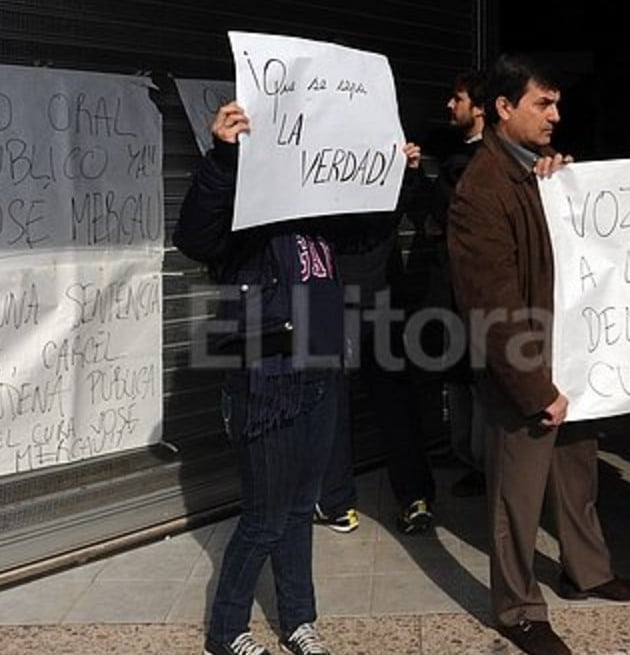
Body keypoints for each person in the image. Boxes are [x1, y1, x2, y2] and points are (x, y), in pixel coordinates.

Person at [448, 53, 630, 655]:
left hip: (568, 360)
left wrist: (562, 187)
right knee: (516, 498)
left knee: (577, 474)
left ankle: (586, 571)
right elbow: (491, 307)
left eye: (557, 103)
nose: (556, 115)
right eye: (544, 103)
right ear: (504, 108)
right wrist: (536, 389)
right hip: (524, 373)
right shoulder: (479, 190)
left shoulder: (534, 173)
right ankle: (516, 610)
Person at [175, 101, 339, 655]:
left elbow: (370, 233)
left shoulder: (321, 212)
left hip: (318, 372)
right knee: (265, 517)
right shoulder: (246, 215)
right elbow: (195, 236)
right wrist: (223, 156)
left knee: (299, 508)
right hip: (266, 378)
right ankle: (225, 633)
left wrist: (400, 177)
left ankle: (298, 620)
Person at [313, 144, 439, 536]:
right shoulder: (382, 189)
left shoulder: (322, 191)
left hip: (337, 306)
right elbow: (415, 209)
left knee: (335, 405)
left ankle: (338, 505)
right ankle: (415, 497)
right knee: (395, 403)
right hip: (381, 306)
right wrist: (408, 171)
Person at [435, 70, 488, 497]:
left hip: (477, 294)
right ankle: (467, 453)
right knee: (459, 377)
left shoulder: (488, 163)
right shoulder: (457, 154)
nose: (450, 106)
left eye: (458, 98)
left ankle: (483, 464)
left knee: (478, 379)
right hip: (452, 292)